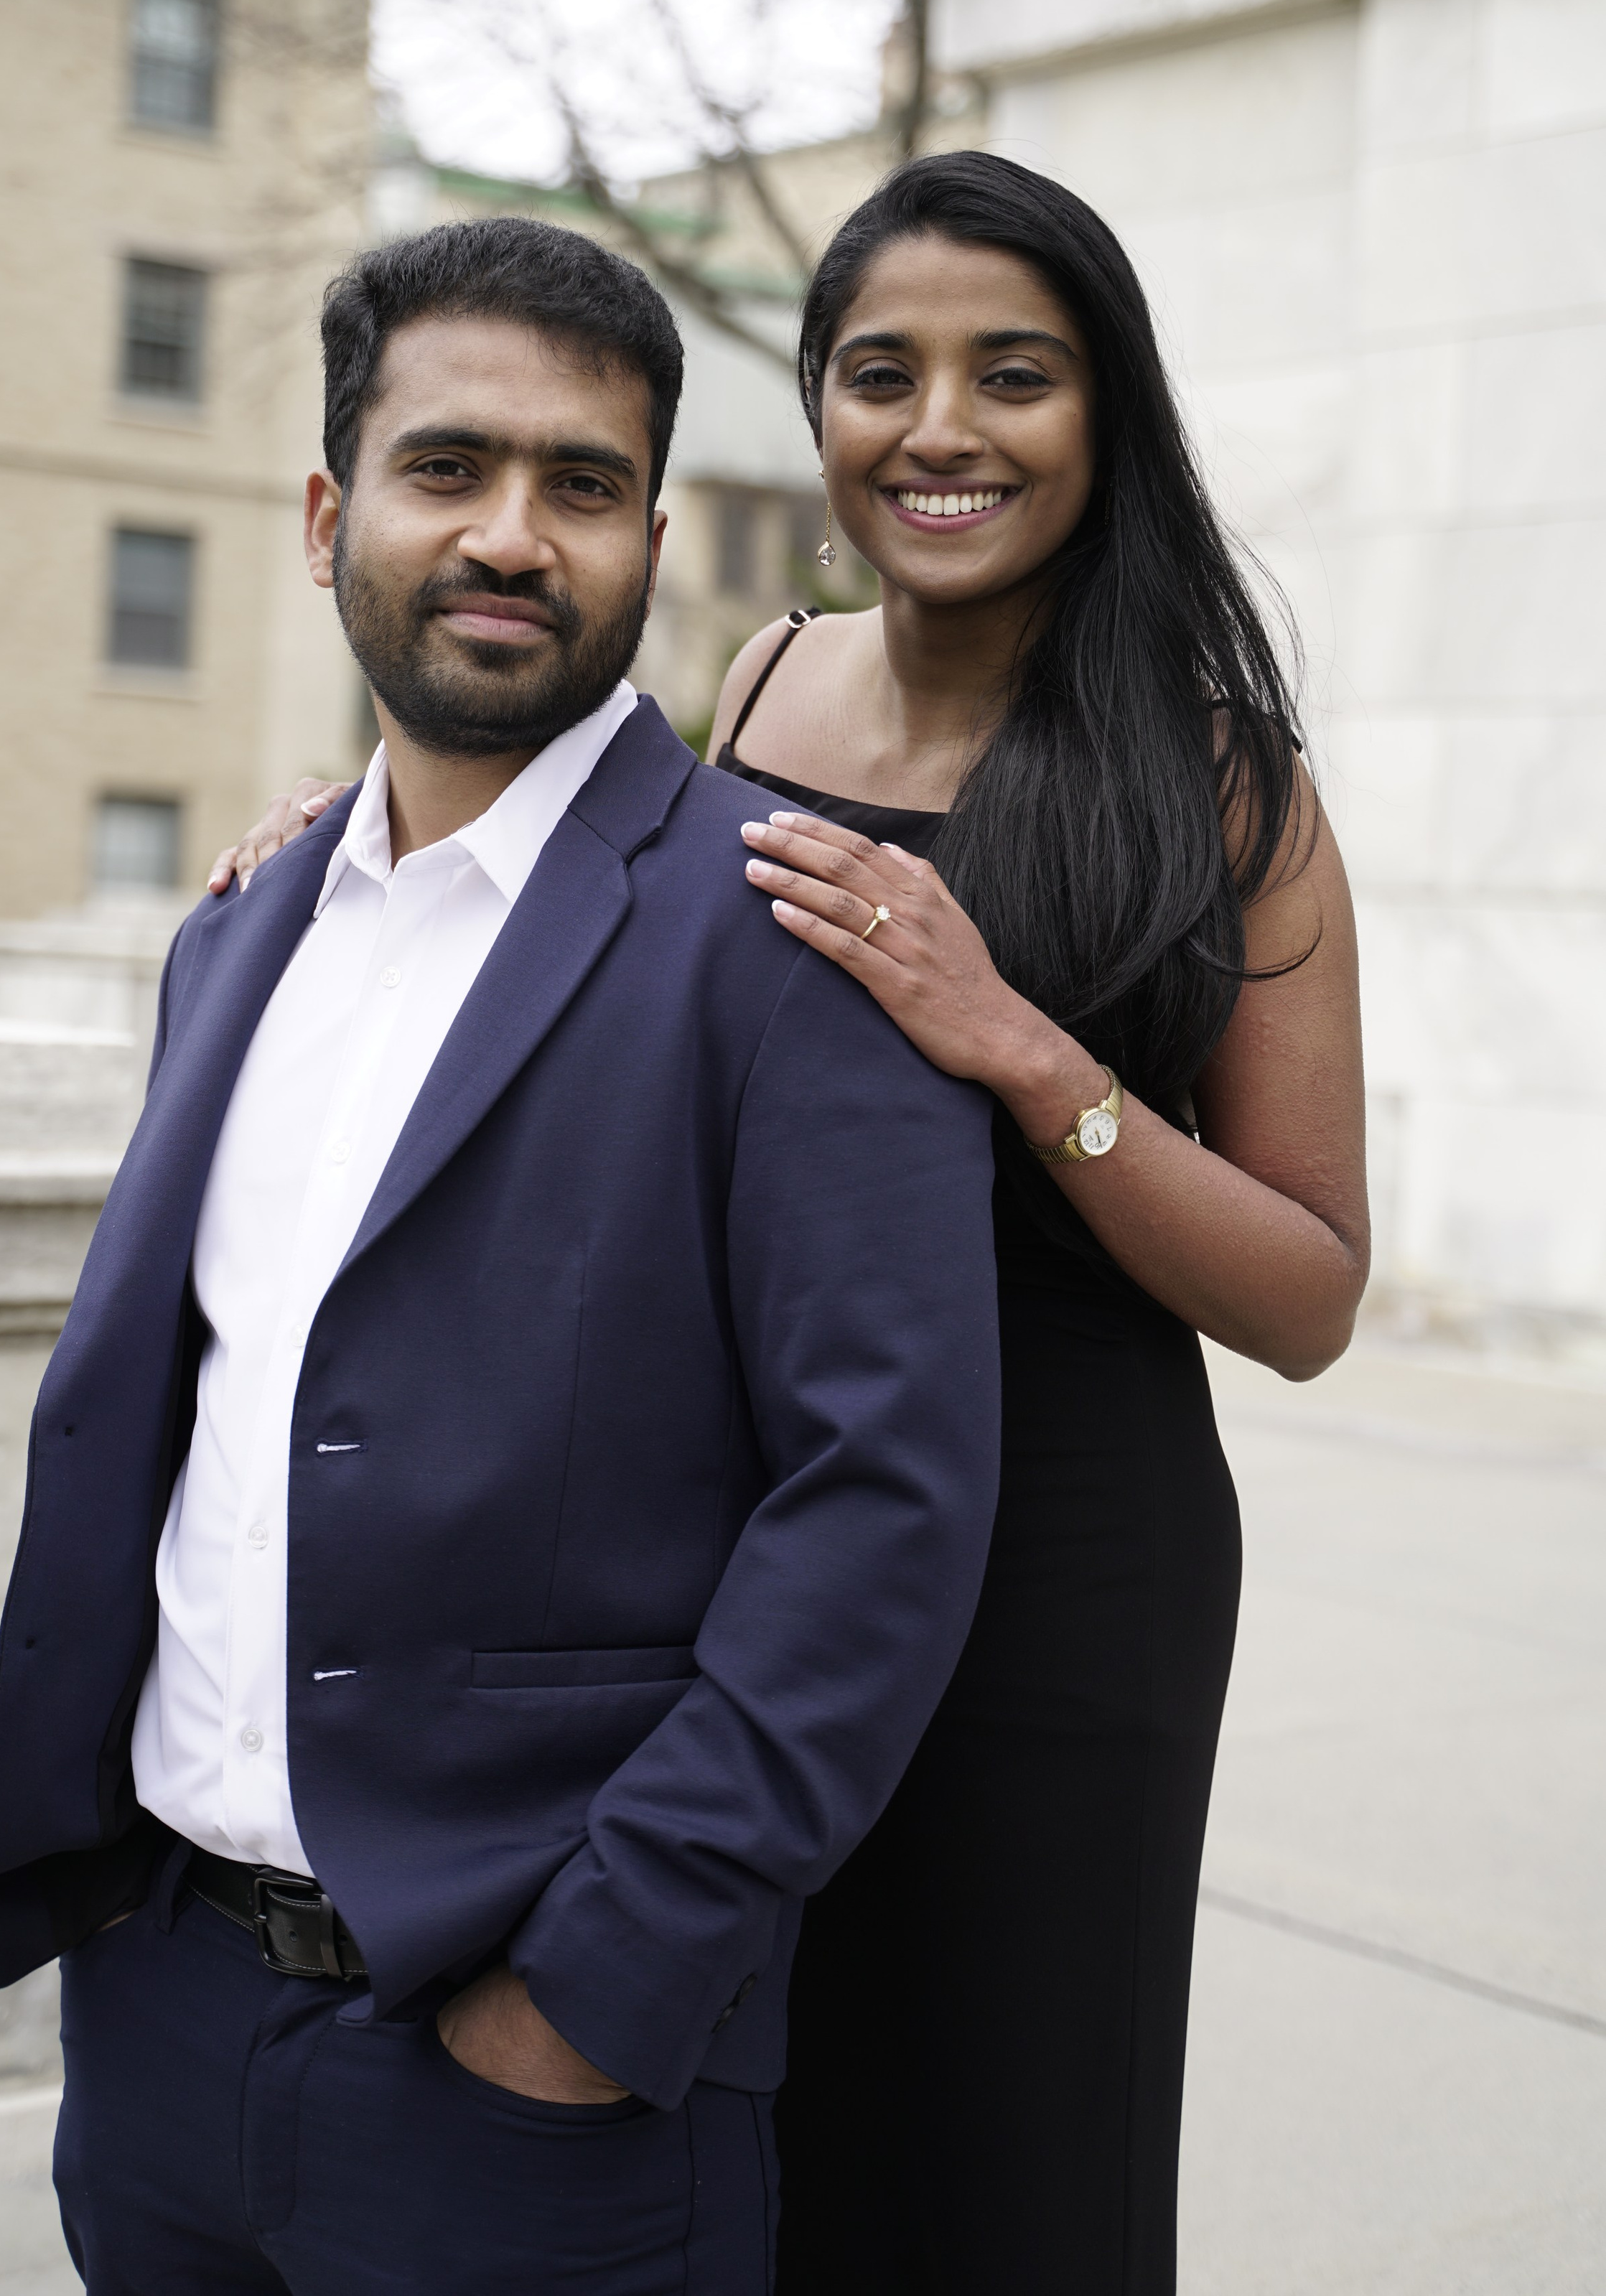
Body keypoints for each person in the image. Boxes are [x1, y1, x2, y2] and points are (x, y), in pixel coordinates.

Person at [223, 154, 1369, 2295]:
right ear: (823, 415)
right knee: (738, 2114)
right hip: (744, 1545)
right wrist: (347, 832)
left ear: (1102, 412)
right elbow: (576, 873)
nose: (942, 427)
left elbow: (1309, 1292)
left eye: (1011, 375)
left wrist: (1026, 1053)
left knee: (1005, 2153)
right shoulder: (756, 685)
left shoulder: (1225, 784)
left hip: (1055, 1570)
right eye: (882, 373)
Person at [0, 217, 1006, 2296]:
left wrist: (595, 1997)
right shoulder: (241, 928)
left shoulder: (798, 948)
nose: (513, 534)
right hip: (157, 2023)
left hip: (527, 2088)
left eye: (580, 487)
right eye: (448, 469)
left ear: (653, 538)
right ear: (332, 514)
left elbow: (888, 1508)